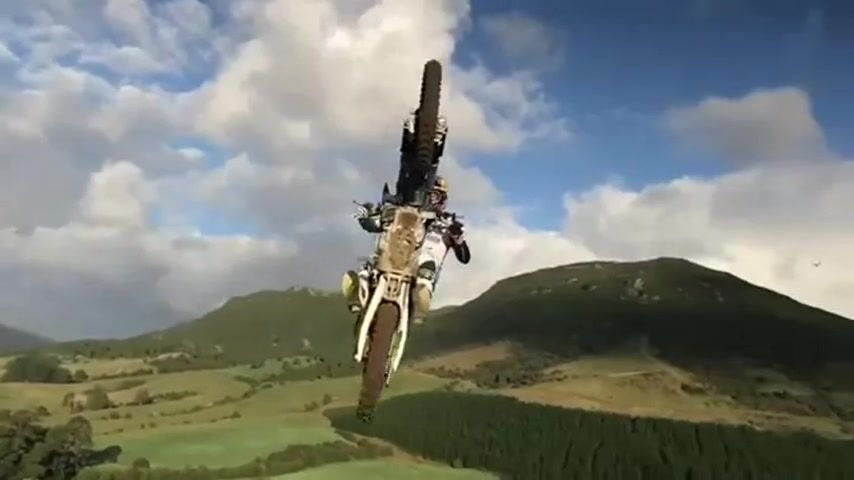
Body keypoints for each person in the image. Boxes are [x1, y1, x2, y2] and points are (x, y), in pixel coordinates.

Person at [341, 175, 471, 324]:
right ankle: (358, 288)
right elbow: (374, 225)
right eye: (426, 194)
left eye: (434, 195)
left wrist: (458, 239)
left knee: (427, 262)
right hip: (395, 259)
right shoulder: (404, 214)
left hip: (422, 270)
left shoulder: (449, 225)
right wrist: (368, 215)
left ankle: (421, 298)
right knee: (371, 260)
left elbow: (464, 258)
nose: (429, 199)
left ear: (442, 199)